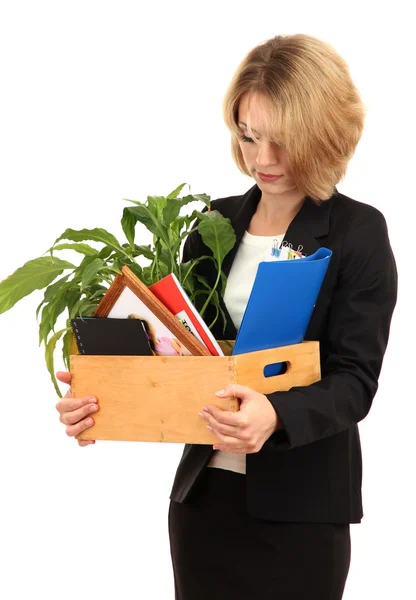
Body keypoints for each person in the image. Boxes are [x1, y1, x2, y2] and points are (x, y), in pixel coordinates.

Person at [55, 33, 398, 600]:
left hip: (301, 511)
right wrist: (104, 393)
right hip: (203, 503)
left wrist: (277, 415)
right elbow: (183, 351)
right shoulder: (215, 222)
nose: (262, 160)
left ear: (325, 134)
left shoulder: (358, 232)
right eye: (249, 137)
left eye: (284, 142)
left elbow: (356, 381)